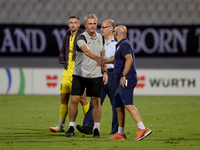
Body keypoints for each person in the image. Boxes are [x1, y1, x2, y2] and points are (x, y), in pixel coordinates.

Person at [65, 14, 108, 138]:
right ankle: (71, 126)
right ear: (85, 25)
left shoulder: (101, 38)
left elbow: (103, 55)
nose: (93, 26)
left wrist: (105, 71)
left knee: (96, 102)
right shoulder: (81, 37)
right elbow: (86, 51)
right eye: (90, 24)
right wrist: (97, 59)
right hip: (80, 74)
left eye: (94, 23)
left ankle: (96, 129)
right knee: (74, 100)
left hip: (95, 75)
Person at [108, 25, 152, 141]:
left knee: (127, 103)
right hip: (121, 79)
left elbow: (129, 59)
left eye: (113, 31)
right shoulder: (121, 45)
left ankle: (142, 128)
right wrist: (106, 60)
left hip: (126, 78)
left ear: (116, 33)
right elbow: (118, 58)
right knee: (119, 105)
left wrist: (123, 75)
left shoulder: (124, 44)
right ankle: (120, 133)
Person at [76, 19, 118, 135]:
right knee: (95, 101)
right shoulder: (98, 40)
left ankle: (116, 130)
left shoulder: (117, 44)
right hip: (99, 74)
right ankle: (88, 126)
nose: (101, 29)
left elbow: (120, 60)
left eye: (104, 27)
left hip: (113, 74)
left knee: (115, 103)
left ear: (110, 28)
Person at [49, 16, 89, 133]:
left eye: (75, 23)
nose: (73, 25)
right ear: (68, 24)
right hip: (67, 72)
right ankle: (61, 125)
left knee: (83, 99)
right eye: (71, 22)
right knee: (64, 99)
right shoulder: (67, 36)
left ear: (79, 24)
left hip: (79, 73)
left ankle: (88, 125)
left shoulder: (83, 37)